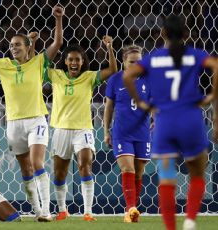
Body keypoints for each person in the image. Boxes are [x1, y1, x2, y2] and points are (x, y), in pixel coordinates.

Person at [0, 5, 64, 221]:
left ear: (28, 47)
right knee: (26, 170)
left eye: (18, 44)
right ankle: (36, 209)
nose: (13, 48)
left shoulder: (38, 62)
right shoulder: (3, 65)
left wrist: (58, 19)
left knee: (37, 163)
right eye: (11, 45)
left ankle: (46, 210)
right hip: (14, 124)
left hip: (36, 119)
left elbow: (58, 43)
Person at [123, 15, 218, 230]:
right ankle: (191, 220)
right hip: (190, 119)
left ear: (163, 34)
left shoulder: (154, 58)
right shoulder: (194, 55)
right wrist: (211, 97)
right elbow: (216, 66)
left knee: (166, 177)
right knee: (198, 172)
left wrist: (143, 103)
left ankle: (171, 228)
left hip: (164, 121)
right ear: (186, 35)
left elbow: (128, 76)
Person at [47, 37, 117, 221]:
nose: (74, 62)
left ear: (83, 61)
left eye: (78, 59)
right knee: (60, 173)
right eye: (70, 59)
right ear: (65, 61)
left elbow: (112, 70)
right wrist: (31, 47)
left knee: (85, 166)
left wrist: (109, 48)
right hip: (61, 130)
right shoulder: (56, 75)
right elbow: (36, 67)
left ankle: (88, 212)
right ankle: (62, 210)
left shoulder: (89, 77)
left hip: (83, 130)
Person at [103, 45, 151, 223]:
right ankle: (131, 208)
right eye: (131, 62)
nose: (135, 65)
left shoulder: (149, 80)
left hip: (143, 133)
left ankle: (130, 212)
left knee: (138, 173)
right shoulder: (115, 80)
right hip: (122, 133)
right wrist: (106, 130)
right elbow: (108, 107)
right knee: (127, 168)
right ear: (124, 62)